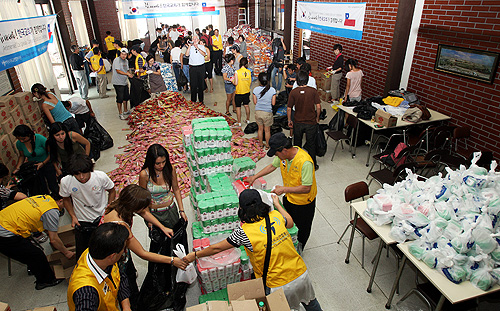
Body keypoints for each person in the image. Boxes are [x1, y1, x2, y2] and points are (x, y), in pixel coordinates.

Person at [182, 189, 322, 311]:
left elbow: (216, 247)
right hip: (300, 273)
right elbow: (290, 222)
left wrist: (194, 255)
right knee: (311, 303)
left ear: (241, 209)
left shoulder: (244, 232)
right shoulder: (275, 216)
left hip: (278, 284)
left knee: (277, 305)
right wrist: (277, 204)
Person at [101, 184, 188, 306]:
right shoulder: (120, 225)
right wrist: (172, 260)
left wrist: (162, 227)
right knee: (126, 285)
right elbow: (143, 253)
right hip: (114, 258)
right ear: (134, 207)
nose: (145, 209)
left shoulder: (120, 204)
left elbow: (144, 213)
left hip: (122, 251)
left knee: (130, 274)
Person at [246, 133, 318, 253]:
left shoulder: (304, 162)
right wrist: (254, 177)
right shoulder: (283, 157)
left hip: (303, 203)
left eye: (276, 153)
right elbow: (272, 166)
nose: (276, 156)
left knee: (301, 228)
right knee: (288, 223)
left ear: (284, 150)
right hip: (289, 198)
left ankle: (299, 248)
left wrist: (284, 189)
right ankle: (288, 243)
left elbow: (306, 188)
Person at [0, 194, 76, 290]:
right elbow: (53, 240)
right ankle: (45, 281)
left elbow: (42, 222)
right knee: (37, 255)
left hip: (4, 219)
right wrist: (66, 252)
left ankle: (34, 267)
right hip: (5, 233)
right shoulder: (52, 211)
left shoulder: (45, 198)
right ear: (60, 201)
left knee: (30, 252)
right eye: (68, 203)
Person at [60, 154, 116, 259]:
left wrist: (109, 208)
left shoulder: (100, 177)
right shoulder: (66, 181)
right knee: (83, 253)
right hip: (82, 220)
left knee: (108, 250)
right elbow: (66, 199)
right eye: (77, 174)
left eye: (84, 173)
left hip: (102, 216)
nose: (81, 177)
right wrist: (73, 216)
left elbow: (112, 190)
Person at [67, 223, 132, 311]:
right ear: (112, 256)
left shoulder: (100, 253)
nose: (124, 252)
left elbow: (120, 276)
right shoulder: (86, 292)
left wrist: (126, 306)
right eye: (123, 250)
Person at [138, 144, 187, 255]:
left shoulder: (170, 169)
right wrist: (148, 219)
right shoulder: (144, 175)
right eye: (158, 163)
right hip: (154, 214)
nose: (161, 166)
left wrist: (181, 210)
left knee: (175, 241)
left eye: (163, 162)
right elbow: (143, 199)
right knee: (160, 245)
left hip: (170, 211)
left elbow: (176, 189)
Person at [288, 70, 321, 170]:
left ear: (297, 80)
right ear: (307, 79)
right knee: (311, 144)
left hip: (298, 122)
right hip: (311, 122)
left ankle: (297, 164)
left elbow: (289, 108)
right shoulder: (313, 91)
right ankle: (313, 165)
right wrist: (317, 117)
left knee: (297, 145)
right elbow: (318, 106)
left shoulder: (293, 92)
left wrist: (289, 120)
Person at [13, 124, 59, 195]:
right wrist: (17, 168)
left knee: (53, 184)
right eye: (19, 139)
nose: (21, 141)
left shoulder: (40, 139)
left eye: (23, 138)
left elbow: (51, 153)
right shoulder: (19, 144)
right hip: (34, 167)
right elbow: (22, 156)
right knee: (41, 187)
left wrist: (43, 163)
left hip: (47, 163)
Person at [253, 72, 276, 148]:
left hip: (258, 112)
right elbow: (273, 103)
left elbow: (255, 102)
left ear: (259, 81)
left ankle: (260, 144)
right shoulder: (272, 90)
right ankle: (267, 145)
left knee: (260, 129)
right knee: (267, 131)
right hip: (267, 113)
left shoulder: (255, 90)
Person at [112, 48, 133, 120]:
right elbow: (118, 71)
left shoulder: (126, 61)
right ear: (120, 54)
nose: (123, 56)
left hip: (124, 82)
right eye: (122, 54)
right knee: (120, 98)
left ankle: (125, 110)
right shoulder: (117, 60)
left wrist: (129, 74)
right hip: (118, 82)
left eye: (125, 54)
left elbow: (126, 70)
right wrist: (126, 74)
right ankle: (120, 113)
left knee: (126, 97)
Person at [186, 35, 207, 104]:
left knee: (201, 84)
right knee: (193, 84)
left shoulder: (201, 46)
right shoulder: (190, 47)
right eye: (193, 39)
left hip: (201, 67)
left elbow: (204, 54)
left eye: (196, 39)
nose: (194, 41)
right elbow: (186, 55)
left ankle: (201, 100)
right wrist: (189, 46)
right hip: (193, 67)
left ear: (198, 40)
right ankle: (193, 100)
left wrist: (197, 48)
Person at [234, 57, 252, 127]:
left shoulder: (237, 72)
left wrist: (232, 81)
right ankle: (247, 119)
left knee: (238, 107)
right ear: (246, 64)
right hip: (246, 91)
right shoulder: (249, 72)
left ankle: (239, 122)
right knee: (246, 105)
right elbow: (250, 82)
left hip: (239, 92)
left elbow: (235, 83)